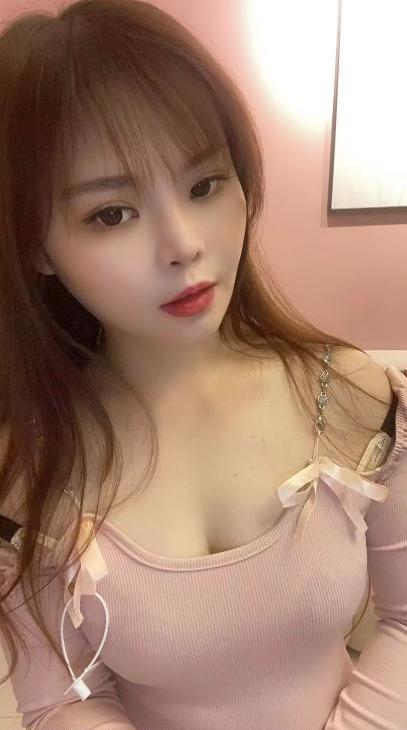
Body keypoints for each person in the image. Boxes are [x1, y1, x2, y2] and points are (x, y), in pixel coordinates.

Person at [0, 1, 405, 728]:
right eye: (111, 213)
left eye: (203, 185)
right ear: (35, 246)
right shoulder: (29, 470)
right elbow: (61, 699)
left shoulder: (347, 392)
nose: (183, 243)